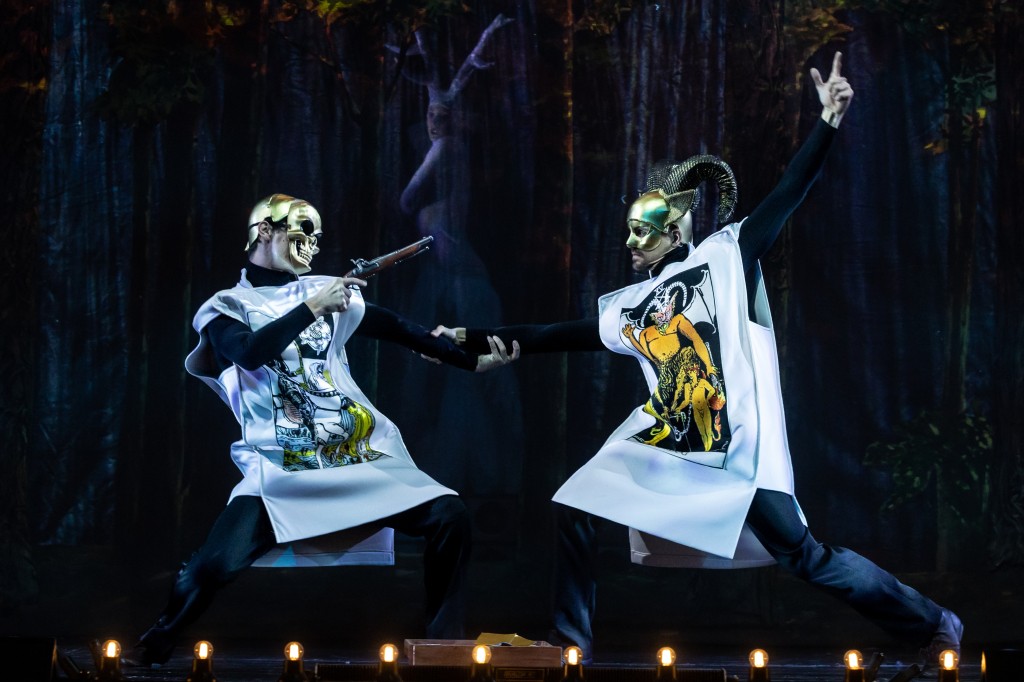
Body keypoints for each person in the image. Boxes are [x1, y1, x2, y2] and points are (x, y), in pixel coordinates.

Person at [437, 53, 962, 668]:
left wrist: (827, 122)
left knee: (805, 556)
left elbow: (788, 193)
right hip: (667, 440)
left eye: (642, 231)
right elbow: (559, 333)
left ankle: (934, 622)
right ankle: (572, 644)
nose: (630, 242)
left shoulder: (726, 256)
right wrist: (477, 337)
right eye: (629, 230)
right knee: (576, 506)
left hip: (734, 446)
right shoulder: (631, 305)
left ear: (676, 229)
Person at [133, 193, 514, 666]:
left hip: (354, 453)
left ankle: (444, 645)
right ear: (265, 231)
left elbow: (402, 330)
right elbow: (249, 353)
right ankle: (156, 642)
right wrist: (312, 307)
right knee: (211, 567)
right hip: (281, 464)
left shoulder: (324, 291)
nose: (312, 244)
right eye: (302, 232)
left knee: (449, 515)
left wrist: (471, 362)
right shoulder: (228, 306)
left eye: (317, 235)